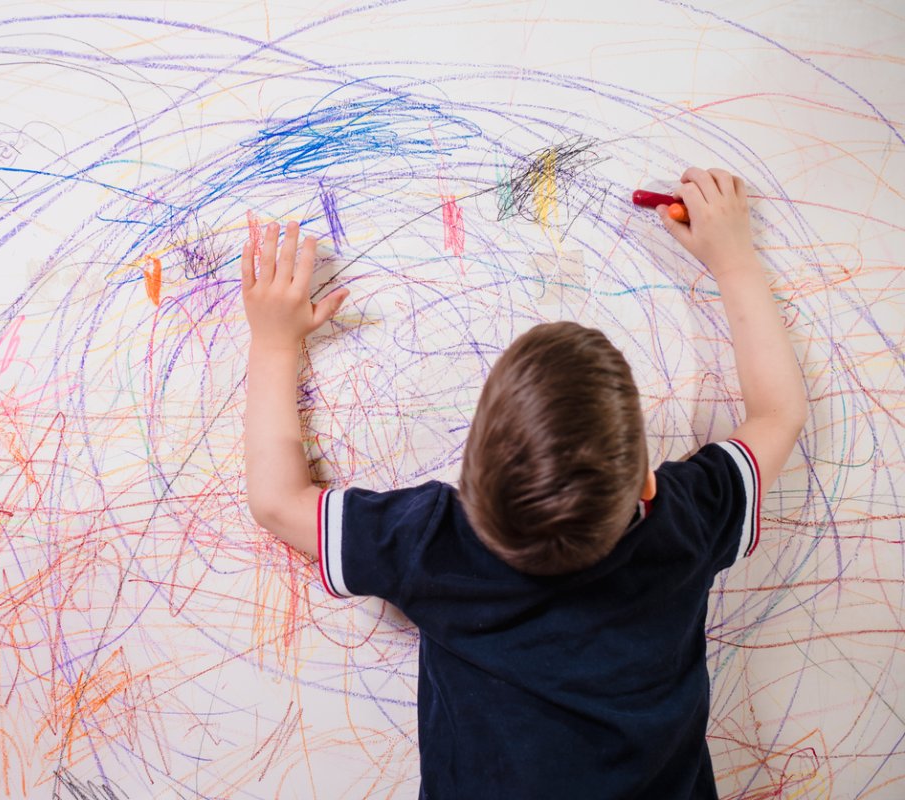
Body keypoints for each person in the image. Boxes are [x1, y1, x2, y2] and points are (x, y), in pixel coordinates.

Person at [239, 167, 807, 798]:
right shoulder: (684, 525)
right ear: (646, 485)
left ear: (469, 482)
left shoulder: (434, 544)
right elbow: (778, 414)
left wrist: (273, 343)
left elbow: (276, 501)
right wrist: (733, 260)